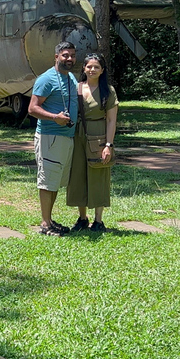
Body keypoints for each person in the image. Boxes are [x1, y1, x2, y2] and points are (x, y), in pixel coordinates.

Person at [28, 41, 79, 236]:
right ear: (56, 57)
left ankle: (49, 219)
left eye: (72, 55)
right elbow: (32, 109)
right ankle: (44, 224)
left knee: (55, 181)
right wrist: (54, 118)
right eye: (65, 55)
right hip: (50, 137)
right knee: (47, 181)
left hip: (67, 137)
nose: (69, 59)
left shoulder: (70, 77)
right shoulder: (46, 79)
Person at [67, 53, 118, 232]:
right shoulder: (76, 88)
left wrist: (108, 145)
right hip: (78, 135)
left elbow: (111, 120)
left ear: (102, 70)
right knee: (78, 175)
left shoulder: (108, 91)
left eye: (96, 67)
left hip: (99, 136)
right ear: (84, 68)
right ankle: (82, 218)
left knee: (99, 175)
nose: (92, 69)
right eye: (89, 66)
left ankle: (98, 220)